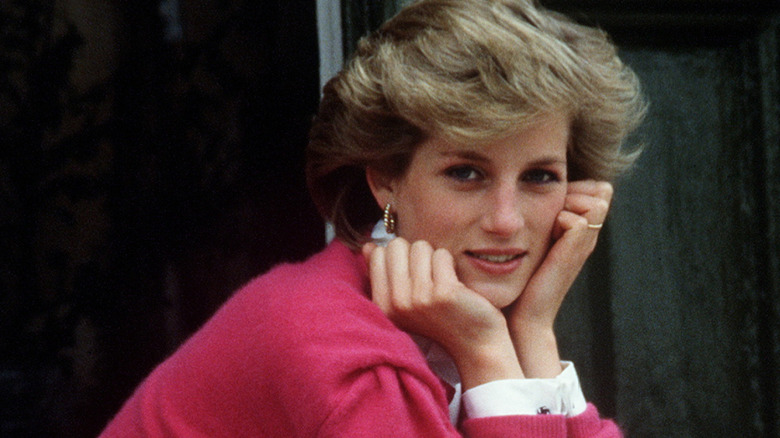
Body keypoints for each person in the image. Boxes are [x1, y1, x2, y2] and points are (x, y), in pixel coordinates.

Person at [100, 0, 645, 436]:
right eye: (466, 173)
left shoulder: (440, 313)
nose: (506, 220)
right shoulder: (343, 352)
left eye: (539, 177)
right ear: (385, 177)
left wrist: (532, 329)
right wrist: (487, 351)